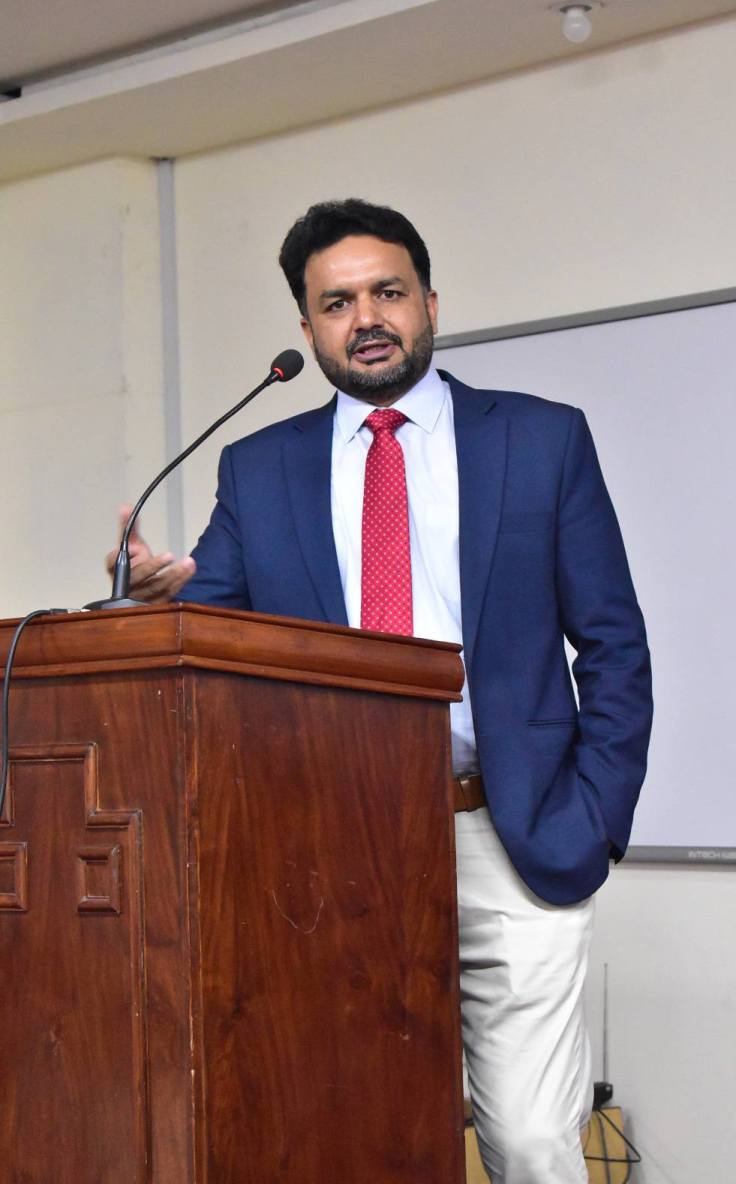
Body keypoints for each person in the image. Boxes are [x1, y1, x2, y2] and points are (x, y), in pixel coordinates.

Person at [110, 199, 652, 1183]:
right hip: (326, 854)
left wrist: (592, 816)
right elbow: (210, 643)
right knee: (352, 1135)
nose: (366, 319)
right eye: (337, 303)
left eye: (387, 293)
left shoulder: (541, 440)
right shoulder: (259, 470)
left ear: (429, 304)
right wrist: (154, 600)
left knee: (533, 1143)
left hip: (507, 833)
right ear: (308, 327)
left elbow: (613, 645)